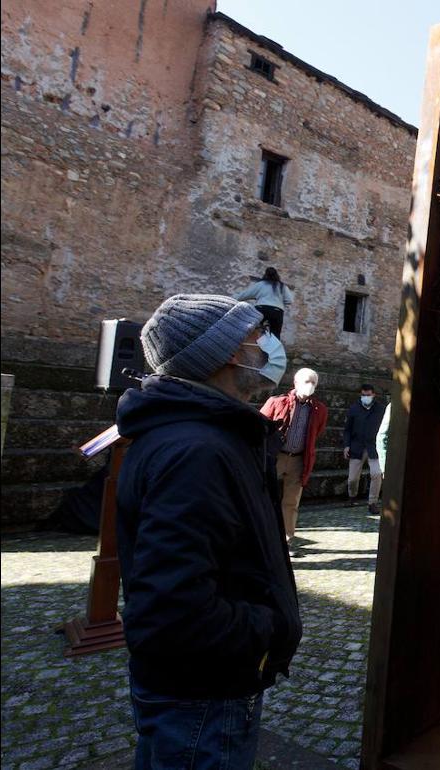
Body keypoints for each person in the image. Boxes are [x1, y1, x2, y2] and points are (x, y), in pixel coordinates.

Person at [114, 294, 301, 767]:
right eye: (255, 337)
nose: (268, 347)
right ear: (225, 354)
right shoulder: (196, 451)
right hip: (204, 695)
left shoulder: (208, 435)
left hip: (202, 689)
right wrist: (267, 628)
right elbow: (173, 610)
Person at [260, 368, 328, 542]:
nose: (310, 386)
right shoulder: (277, 402)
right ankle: (259, 534)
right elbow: (260, 427)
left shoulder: (319, 409)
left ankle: (286, 539)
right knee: (261, 494)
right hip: (276, 456)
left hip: (299, 459)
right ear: (296, 383)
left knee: (291, 502)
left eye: (314, 383)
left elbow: (317, 432)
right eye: (307, 381)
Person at [343, 383, 387, 514]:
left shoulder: (381, 409)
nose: (365, 397)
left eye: (368, 395)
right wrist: (346, 445)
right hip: (357, 447)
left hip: (374, 447)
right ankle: (352, 497)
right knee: (352, 478)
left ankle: (372, 502)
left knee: (376, 474)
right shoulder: (354, 409)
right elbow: (347, 430)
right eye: (363, 395)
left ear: (373, 395)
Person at [233, 267, 294, 338]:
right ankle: (272, 348)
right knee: (275, 335)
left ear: (265, 274)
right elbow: (290, 300)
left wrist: (232, 298)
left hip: (261, 309)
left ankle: (250, 346)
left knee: (252, 330)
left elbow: (245, 294)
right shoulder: (282, 286)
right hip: (277, 311)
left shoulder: (261, 284)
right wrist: (279, 301)